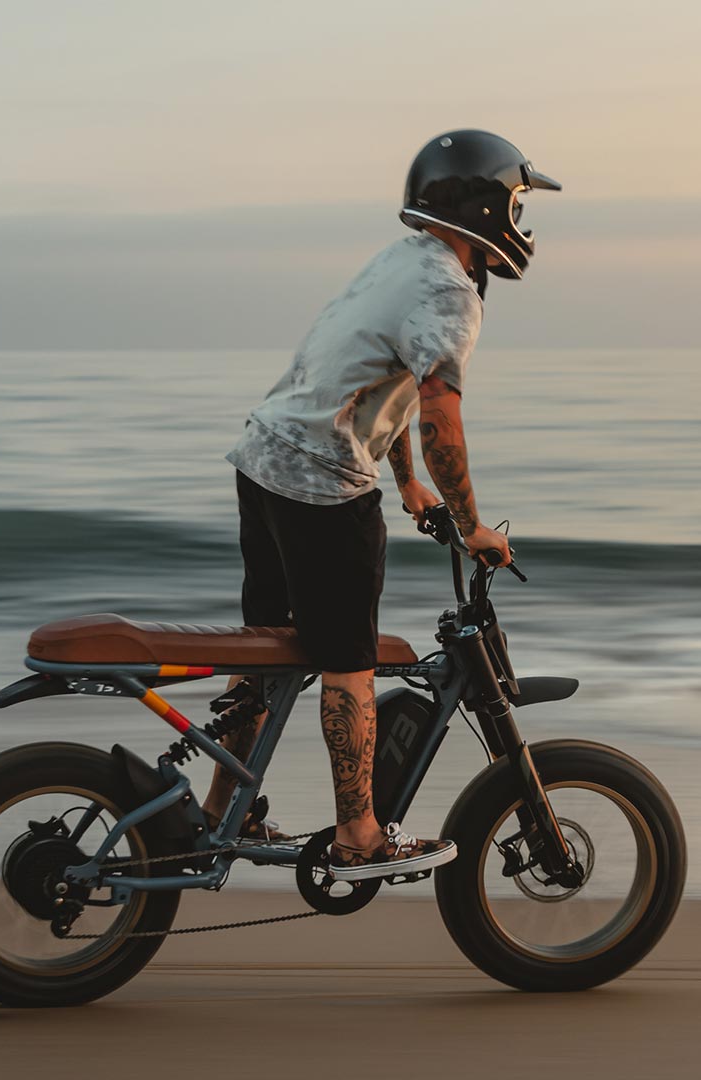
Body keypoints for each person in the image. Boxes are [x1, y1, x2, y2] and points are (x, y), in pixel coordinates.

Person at [203, 130, 561, 881]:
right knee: (349, 663)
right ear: (486, 204)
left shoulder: (399, 263)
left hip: (264, 457)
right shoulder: (449, 293)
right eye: (518, 203)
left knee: (265, 648)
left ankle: (220, 808)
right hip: (322, 482)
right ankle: (359, 834)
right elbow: (437, 414)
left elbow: (372, 383)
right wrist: (470, 526)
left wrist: (405, 484)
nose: (521, 223)